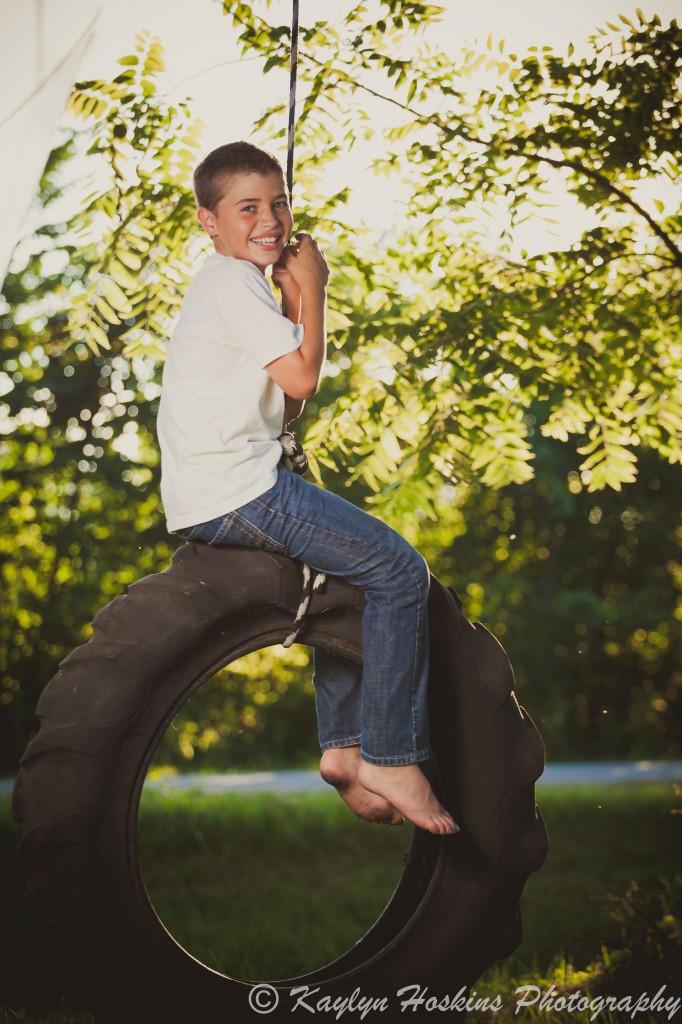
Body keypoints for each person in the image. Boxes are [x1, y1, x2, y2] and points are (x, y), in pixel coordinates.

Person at [157, 141, 458, 836]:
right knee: (400, 572)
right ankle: (390, 755)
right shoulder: (231, 281)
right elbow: (303, 380)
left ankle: (344, 748)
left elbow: (284, 405)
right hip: (241, 487)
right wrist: (315, 286)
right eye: (248, 208)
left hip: (219, 487)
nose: (270, 219)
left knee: (352, 582)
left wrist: (291, 297)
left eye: (279, 202)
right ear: (208, 220)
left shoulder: (240, 287)